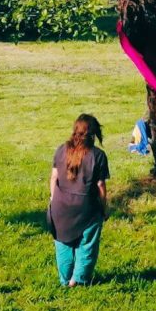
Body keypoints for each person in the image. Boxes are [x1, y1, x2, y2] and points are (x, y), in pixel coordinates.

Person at [47, 114, 109, 287]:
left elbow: (53, 178)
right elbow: (100, 186)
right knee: (87, 244)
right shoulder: (98, 156)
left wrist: (54, 202)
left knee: (62, 243)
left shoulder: (61, 149)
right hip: (86, 208)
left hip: (59, 206)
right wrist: (103, 209)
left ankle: (65, 280)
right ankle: (79, 280)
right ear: (94, 134)